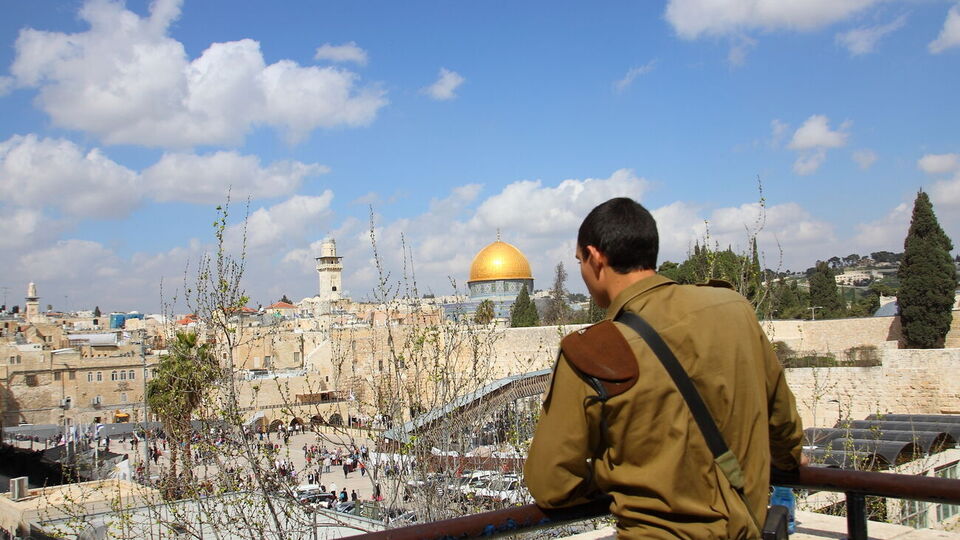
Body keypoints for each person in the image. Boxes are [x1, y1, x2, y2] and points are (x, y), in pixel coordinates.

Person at [524, 197, 805, 539]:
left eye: (580, 260)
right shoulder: (735, 309)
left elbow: (551, 483)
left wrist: (614, 478)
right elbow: (782, 423)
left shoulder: (595, 349)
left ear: (596, 258)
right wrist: (786, 464)